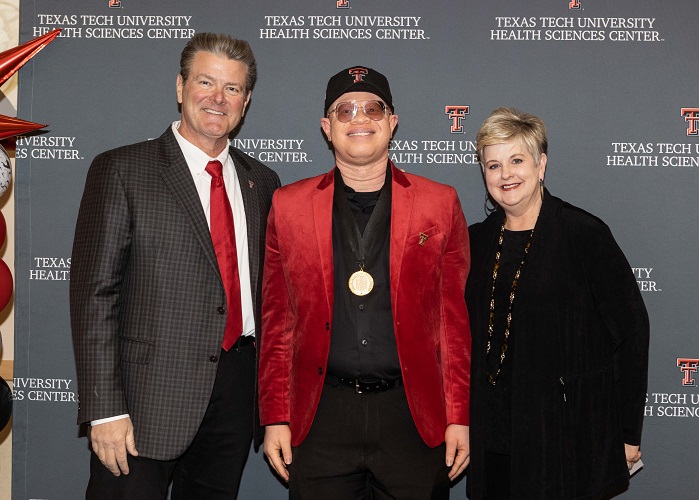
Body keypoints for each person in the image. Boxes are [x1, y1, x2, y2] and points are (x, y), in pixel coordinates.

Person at [70, 33, 280, 499]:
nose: (217, 98)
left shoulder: (262, 182)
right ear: (180, 86)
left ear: (245, 102)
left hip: (234, 393)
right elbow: (94, 296)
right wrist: (104, 409)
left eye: (232, 88)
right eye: (206, 82)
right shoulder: (123, 169)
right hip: (144, 399)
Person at [258, 66, 472, 499]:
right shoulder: (288, 205)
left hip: (412, 417)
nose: (359, 118)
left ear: (392, 122)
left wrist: (458, 416)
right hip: (320, 418)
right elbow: (278, 321)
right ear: (326, 127)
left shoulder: (439, 202)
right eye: (345, 110)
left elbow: (453, 324)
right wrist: (275, 415)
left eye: (373, 108)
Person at [465, 108, 649, 499]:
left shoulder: (584, 234)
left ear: (541, 164)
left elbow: (632, 334)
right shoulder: (476, 241)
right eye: (493, 165)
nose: (506, 175)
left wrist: (627, 433)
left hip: (564, 439)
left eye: (517, 160)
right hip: (493, 438)